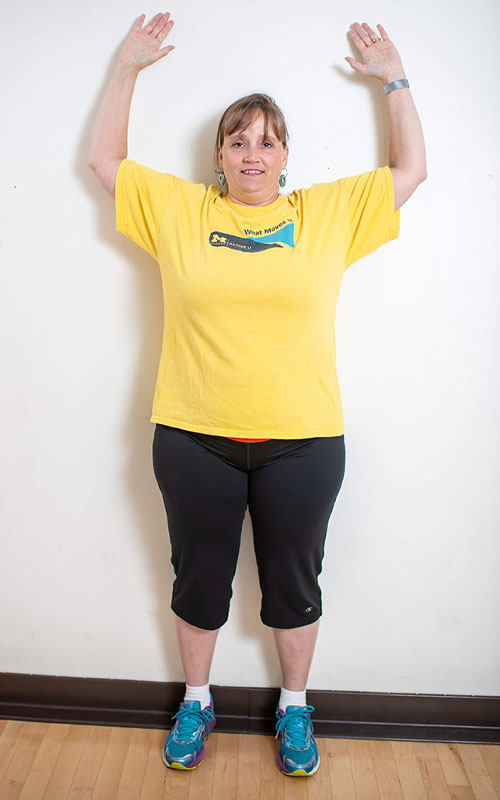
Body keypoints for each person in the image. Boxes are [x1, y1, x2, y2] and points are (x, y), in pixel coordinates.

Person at [88, 11, 426, 778]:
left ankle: (295, 708)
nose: (252, 152)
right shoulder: (180, 211)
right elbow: (105, 161)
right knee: (197, 579)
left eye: (266, 140)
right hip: (193, 434)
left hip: (303, 440)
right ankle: (198, 701)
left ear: (285, 156)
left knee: (294, 583)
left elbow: (411, 173)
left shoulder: (325, 215)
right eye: (238, 139)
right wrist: (127, 69)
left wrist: (395, 78)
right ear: (219, 156)